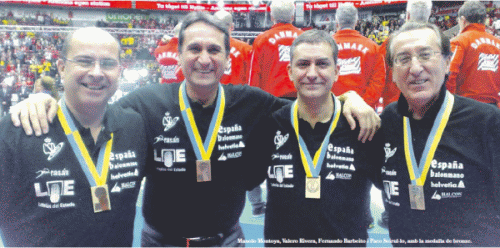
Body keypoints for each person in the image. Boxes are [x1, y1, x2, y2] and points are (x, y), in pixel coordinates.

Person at [10, 12, 380, 247]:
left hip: (227, 240)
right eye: (195, 49)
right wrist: (45, 101)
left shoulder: (252, 102)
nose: (204, 59)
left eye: (214, 50)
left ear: (227, 56)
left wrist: (350, 98)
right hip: (161, 242)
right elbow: (92, 111)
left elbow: (309, 102)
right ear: (180, 53)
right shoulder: (145, 103)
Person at [0, 27, 147, 246]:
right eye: (85, 61)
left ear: (119, 70)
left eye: (107, 63)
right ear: (61, 68)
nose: (97, 73)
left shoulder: (135, 126)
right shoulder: (18, 129)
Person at [250, 29, 381, 246]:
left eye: (322, 64)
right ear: (290, 72)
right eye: (303, 65)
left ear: (337, 71)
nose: (312, 73)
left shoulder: (360, 126)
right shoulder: (270, 123)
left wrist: (352, 96)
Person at [379, 21, 500, 246]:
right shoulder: (388, 120)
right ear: (393, 73)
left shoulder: (487, 121)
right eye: (403, 59)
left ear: (447, 62)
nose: (415, 68)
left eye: (425, 55)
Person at [214, 9, 266, 217]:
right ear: (232, 27)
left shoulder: (206, 50)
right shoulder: (245, 49)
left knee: (212, 156)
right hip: (240, 110)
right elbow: (252, 81)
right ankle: (256, 204)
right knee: (246, 157)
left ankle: (215, 201)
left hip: (210, 110)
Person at [379, 0, 433, 108]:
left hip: (395, 106)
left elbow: (379, 76)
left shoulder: (389, 43)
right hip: (429, 107)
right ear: (429, 15)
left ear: (407, 15)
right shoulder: (438, 43)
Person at [332, 3, 385, 108]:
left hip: (331, 110)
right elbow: (378, 83)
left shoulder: (325, 46)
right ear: (356, 22)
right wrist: (362, 106)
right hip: (363, 111)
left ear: (337, 21)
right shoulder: (373, 47)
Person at [448, 0, 500, 107]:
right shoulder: (497, 43)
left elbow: (449, 73)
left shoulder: (459, 41)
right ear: (484, 20)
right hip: (493, 108)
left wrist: (449, 104)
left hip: (466, 106)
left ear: (463, 20)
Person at [249, 0, 304, 98]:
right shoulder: (305, 38)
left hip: (271, 100)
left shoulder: (261, 39)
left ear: (271, 17)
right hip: (301, 98)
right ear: (292, 17)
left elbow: (254, 74)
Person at [214, 10, 253, 86]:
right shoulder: (246, 49)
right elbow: (250, 78)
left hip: (211, 94)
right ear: (232, 26)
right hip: (238, 95)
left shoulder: (204, 47)